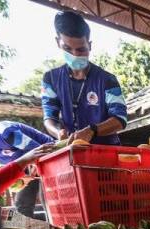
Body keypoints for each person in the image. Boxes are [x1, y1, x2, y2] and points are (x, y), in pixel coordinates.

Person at [41, 11, 127, 144]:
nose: (75, 54)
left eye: (81, 49)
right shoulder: (50, 79)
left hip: (107, 153)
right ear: (58, 43)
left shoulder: (107, 80)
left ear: (90, 45)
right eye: (67, 49)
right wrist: (58, 131)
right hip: (72, 154)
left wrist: (92, 130)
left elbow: (120, 119)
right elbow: (49, 117)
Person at [0, 121, 54, 217]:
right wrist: (21, 179)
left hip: (47, 158)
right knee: (23, 204)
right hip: (25, 166)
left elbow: (41, 151)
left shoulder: (4, 135)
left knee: (50, 201)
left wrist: (33, 165)